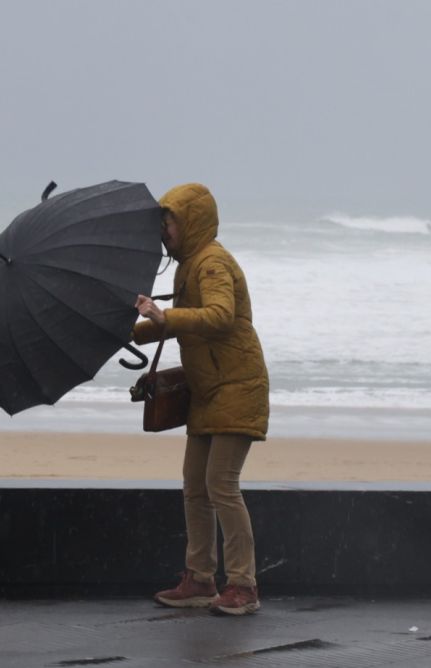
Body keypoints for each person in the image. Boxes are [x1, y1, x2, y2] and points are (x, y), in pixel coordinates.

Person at [133, 183, 269, 616]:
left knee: (221, 486)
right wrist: (131, 330)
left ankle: (244, 586)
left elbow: (218, 316)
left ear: (189, 221)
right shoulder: (188, 265)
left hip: (237, 386)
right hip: (208, 390)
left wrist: (164, 314)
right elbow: (178, 324)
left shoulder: (212, 263)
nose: (163, 230)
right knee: (195, 487)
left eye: (168, 220)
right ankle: (200, 579)